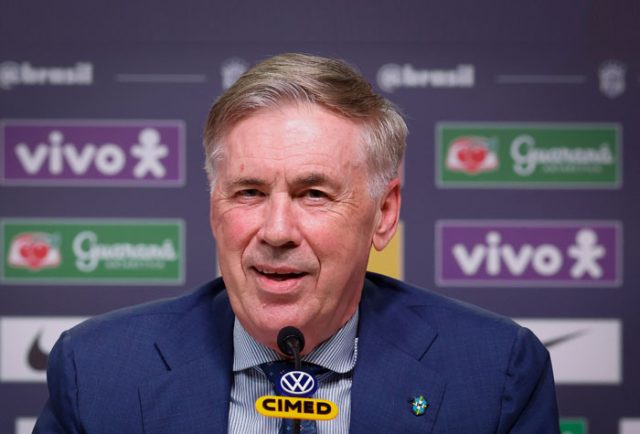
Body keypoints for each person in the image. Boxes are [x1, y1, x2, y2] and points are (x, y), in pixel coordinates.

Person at [34, 53, 560, 433]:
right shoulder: (97, 371)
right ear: (214, 207)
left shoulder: (495, 374)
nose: (277, 231)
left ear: (384, 213)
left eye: (314, 194)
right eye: (249, 192)